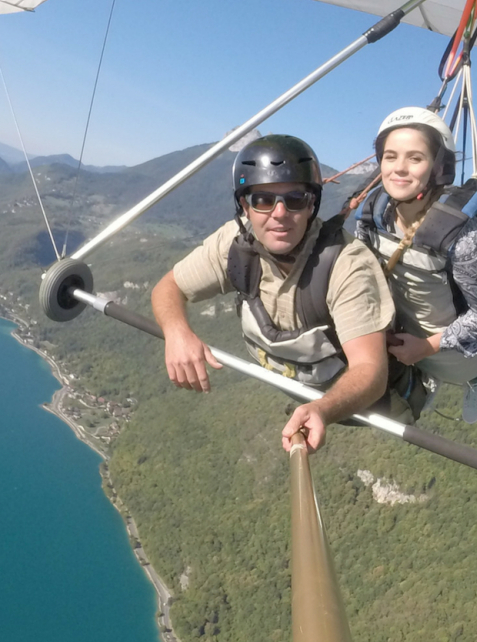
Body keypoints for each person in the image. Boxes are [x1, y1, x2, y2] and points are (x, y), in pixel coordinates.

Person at [151, 134, 397, 452]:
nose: (279, 213)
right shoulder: (235, 244)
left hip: (350, 404)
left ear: (312, 204)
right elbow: (168, 286)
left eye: (295, 199)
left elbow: (370, 370)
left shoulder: (346, 265)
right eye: (264, 200)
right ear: (245, 206)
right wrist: (177, 331)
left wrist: (322, 408)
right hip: (299, 380)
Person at [354, 107, 477, 423]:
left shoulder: (458, 233)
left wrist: (427, 346)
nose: (399, 169)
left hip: (449, 340)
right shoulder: (373, 212)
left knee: (468, 371)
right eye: (390, 156)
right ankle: (425, 374)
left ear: (437, 168)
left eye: (415, 158)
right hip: (402, 326)